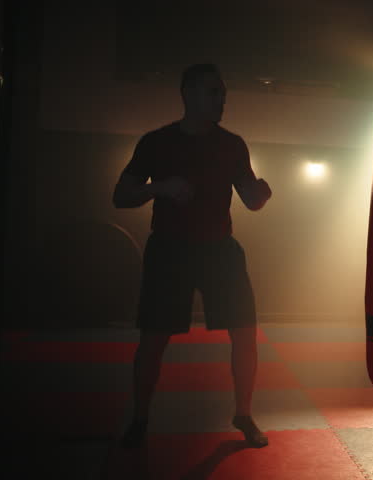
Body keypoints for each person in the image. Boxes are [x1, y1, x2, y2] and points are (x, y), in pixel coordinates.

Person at [112, 63, 272, 449]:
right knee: (153, 339)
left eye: (223, 93)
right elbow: (120, 196)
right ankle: (140, 418)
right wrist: (159, 187)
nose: (222, 100)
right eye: (213, 92)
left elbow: (251, 200)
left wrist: (261, 193)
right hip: (170, 249)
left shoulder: (232, 145)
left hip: (219, 248)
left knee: (245, 334)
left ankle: (244, 413)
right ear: (188, 94)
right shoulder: (157, 142)